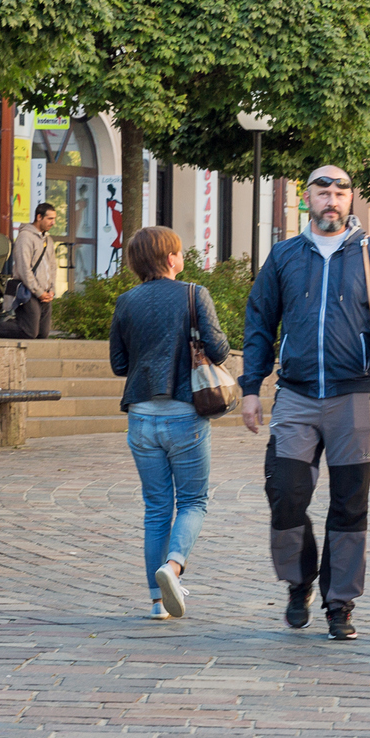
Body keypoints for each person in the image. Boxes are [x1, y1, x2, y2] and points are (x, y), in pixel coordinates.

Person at [241, 165, 370, 641]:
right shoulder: (284, 257)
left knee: (349, 505)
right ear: (308, 197)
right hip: (295, 396)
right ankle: (299, 582)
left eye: (341, 191)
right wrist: (250, 388)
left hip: (352, 395)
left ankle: (339, 603)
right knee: (285, 497)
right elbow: (258, 321)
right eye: (324, 190)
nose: (332, 198)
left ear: (351, 199)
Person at [109, 225, 229, 620]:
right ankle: (173, 568)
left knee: (156, 508)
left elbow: (119, 365)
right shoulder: (194, 294)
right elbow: (219, 350)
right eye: (179, 252)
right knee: (194, 500)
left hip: (141, 418)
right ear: (172, 258)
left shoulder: (126, 301)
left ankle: (157, 603)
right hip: (185, 415)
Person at [0, 202, 59, 339]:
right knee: (29, 331)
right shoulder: (25, 237)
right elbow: (23, 269)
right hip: (27, 290)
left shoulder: (48, 239)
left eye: (54, 219)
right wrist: (39, 292)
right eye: (50, 219)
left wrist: (51, 289)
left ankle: (7, 323)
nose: (53, 222)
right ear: (39, 217)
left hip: (45, 293)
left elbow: (52, 266)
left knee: (42, 333)